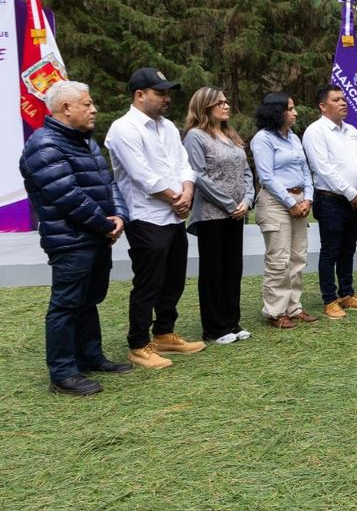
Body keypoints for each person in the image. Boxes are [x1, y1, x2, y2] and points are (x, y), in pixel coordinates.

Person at [20, 80, 130, 395]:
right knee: (66, 304)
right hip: (70, 241)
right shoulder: (44, 145)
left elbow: (109, 184)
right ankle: (63, 373)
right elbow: (67, 196)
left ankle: (90, 356)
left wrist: (119, 216)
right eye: (87, 103)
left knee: (88, 300)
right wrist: (105, 225)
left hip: (95, 237)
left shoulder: (85, 142)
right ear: (66, 108)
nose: (94, 109)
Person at [105, 67, 206, 369]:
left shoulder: (169, 127)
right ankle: (138, 344)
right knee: (148, 282)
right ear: (139, 95)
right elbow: (142, 177)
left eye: (167, 93)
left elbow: (185, 166)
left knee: (174, 278)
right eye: (160, 93)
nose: (166, 98)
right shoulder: (123, 129)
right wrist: (177, 199)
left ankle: (163, 332)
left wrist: (187, 192)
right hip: (146, 217)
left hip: (175, 216)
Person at [183, 86, 255, 345]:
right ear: (205, 107)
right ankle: (214, 328)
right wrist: (228, 203)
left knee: (233, 268)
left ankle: (232, 322)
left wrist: (247, 200)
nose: (226, 106)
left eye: (226, 102)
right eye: (220, 103)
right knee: (214, 270)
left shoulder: (230, 135)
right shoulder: (196, 136)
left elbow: (247, 171)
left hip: (237, 213)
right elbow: (199, 175)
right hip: (212, 214)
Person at [303, 84, 357, 319]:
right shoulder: (316, 131)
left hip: (356, 199)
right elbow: (323, 169)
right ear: (323, 106)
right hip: (331, 200)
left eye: (344, 99)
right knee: (330, 251)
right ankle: (329, 299)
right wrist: (350, 193)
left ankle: (347, 294)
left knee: (348, 250)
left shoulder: (352, 130)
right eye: (336, 100)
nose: (344, 102)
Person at [250, 92, 316, 329]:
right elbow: (266, 176)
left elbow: (306, 170)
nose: (295, 112)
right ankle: (275, 312)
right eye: (290, 108)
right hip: (276, 203)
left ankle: (294, 307)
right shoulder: (263, 139)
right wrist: (291, 203)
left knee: (298, 256)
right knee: (279, 259)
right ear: (277, 112)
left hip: (300, 199)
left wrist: (308, 199)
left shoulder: (294, 139)